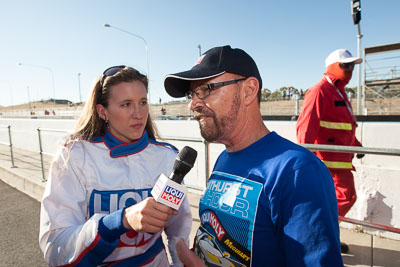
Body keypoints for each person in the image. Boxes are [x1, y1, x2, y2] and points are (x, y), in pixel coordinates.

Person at [164, 45, 343, 266]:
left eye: (207, 89)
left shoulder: (298, 171)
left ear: (248, 90)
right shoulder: (224, 158)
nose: (193, 104)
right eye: (192, 94)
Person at [39, 66, 192, 266]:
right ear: (103, 112)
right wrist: (121, 221)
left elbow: (178, 232)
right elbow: (55, 247)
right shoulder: (75, 155)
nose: (138, 114)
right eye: (126, 104)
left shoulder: (167, 156)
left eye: (143, 102)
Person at [296, 49, 363, 253]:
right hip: (326, 163)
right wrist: (304, 162)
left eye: (352, 66)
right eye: (346, 65)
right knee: (344, 198)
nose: (350, 70)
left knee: (332, 202)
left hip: (340, 161)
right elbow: (305, 128)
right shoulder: (320, 91)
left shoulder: (339, 91)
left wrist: (357, 146)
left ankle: (325, 237)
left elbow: (343, 125)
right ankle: (318, 235)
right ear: (333, 66)